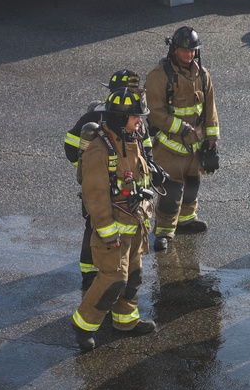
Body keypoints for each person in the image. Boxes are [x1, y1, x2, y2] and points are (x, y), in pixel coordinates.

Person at [72, 88, 158, 351]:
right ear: (121, 118)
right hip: (113, 233)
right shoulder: (100, 150)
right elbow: (95, 197)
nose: (140, 122)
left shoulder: (131, 139)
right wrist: (108, 234)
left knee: (133, 276)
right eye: (135, 117)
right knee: (112, 280)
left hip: (135, 227)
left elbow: (135, 177)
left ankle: (126, 321)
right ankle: (83, 325)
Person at [64, 70, 164, 293]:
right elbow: (70, 145)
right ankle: (90, 273)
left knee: (123, 237)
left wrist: (151, 169)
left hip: (126, 190)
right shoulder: (96, 117)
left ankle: (117, 275)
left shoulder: (136, 120)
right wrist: (88, 171)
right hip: (98, 187)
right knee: (94, 227)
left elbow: (145, 148)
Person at [145, 26, 220, 252]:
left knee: (192, 185)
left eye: (192, 51)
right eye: (184, 51)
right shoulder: (158, 77)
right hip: (169, 147)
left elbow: (210, 109)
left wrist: (212, 141)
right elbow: (155, 112)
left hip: (194, 146)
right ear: (174, 50)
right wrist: (180, 127)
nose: (189, 55)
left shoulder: (203, 75)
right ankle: (164, 231)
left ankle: (186, 220)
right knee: (171, 190)